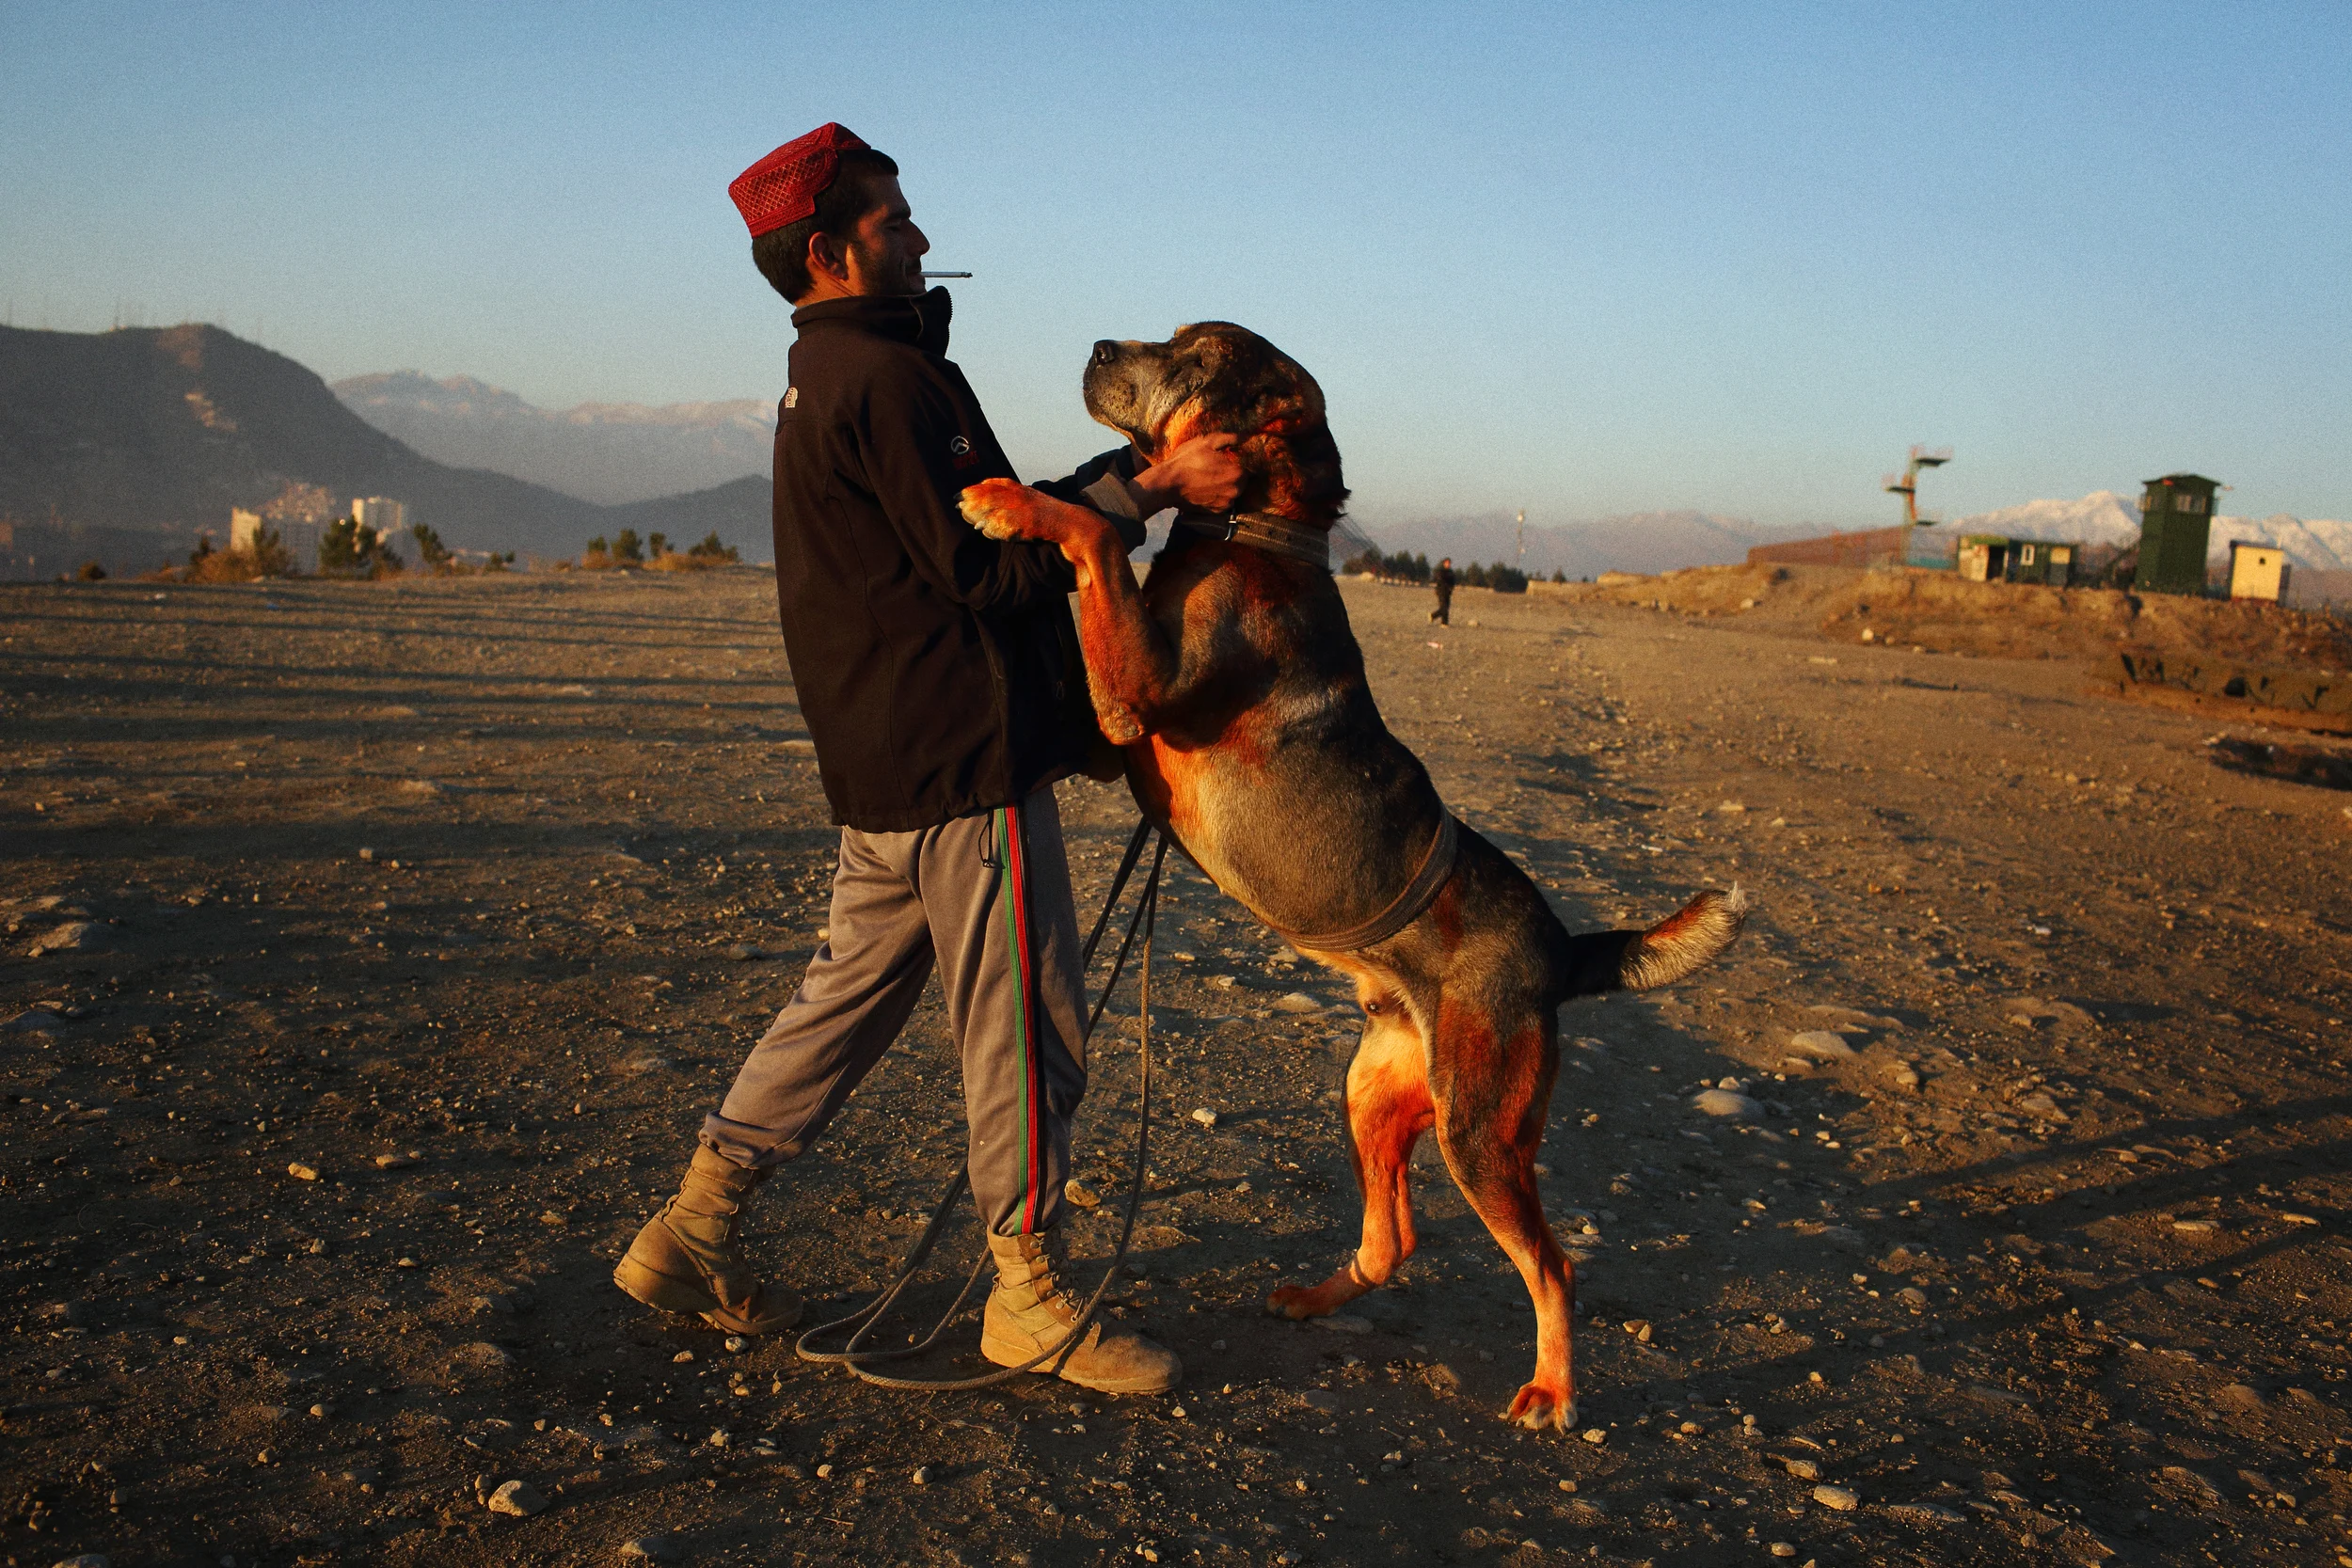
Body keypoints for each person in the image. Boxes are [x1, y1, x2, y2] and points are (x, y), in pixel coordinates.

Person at [612, 124, 1240, 1396]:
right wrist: (1150, 492)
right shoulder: (888, 385)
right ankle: (1028, 1296)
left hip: (885, 763)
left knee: (838, 1005)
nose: (923, 237)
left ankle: (693, 1226)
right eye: (900, 221)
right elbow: (993, 563)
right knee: (1025, 1027)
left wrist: (1137, 478)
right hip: (961, 764)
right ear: (839, 250)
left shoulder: (834, 374)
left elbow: (985, 520)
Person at [1431, 557, 1455, 625]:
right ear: (1444, 563)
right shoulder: (1440, 571)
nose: (1448, 564)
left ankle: (1444, 623)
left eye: (1449, 563)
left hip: (1448, 592)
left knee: (1446, 607)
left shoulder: (1451, 572)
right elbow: (1440, 581)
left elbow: (1453, 581)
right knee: (1443, 608)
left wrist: (1451, 588)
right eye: (1447, 563)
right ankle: (1433, 615)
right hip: (1441, 592)